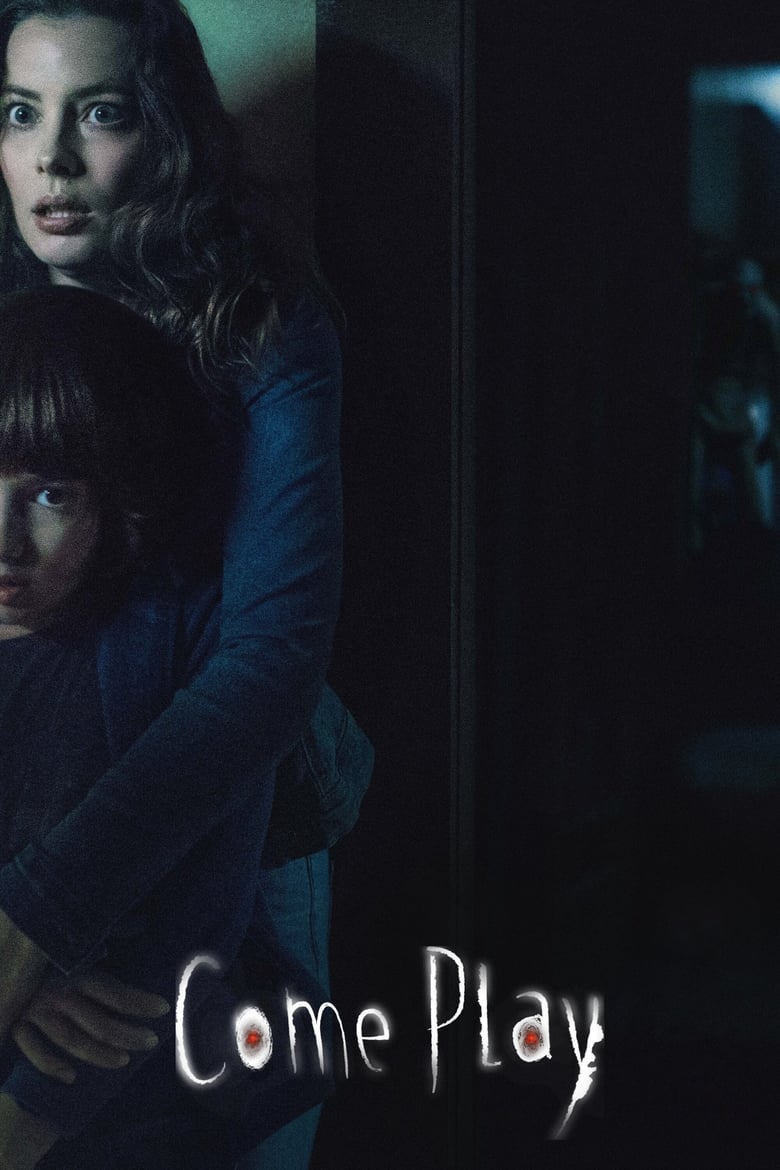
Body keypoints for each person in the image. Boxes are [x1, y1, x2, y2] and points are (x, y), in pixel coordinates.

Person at [0, 2, 368, 1165]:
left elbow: (266, 663)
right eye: (20, 113)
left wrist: (40, 917)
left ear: (162, 130)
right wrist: (19, 960)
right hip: (25, 814)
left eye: (100, 113)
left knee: (243, 1128)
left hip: (232, 817)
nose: (53, 159)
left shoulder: (259, 325)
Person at [0, 286, 335, 1169]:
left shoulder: (177, 657)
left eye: (50, 496)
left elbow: (184, 935)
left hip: (132, 1119)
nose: (4, 542)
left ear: (113, 506)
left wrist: (23, 1118)